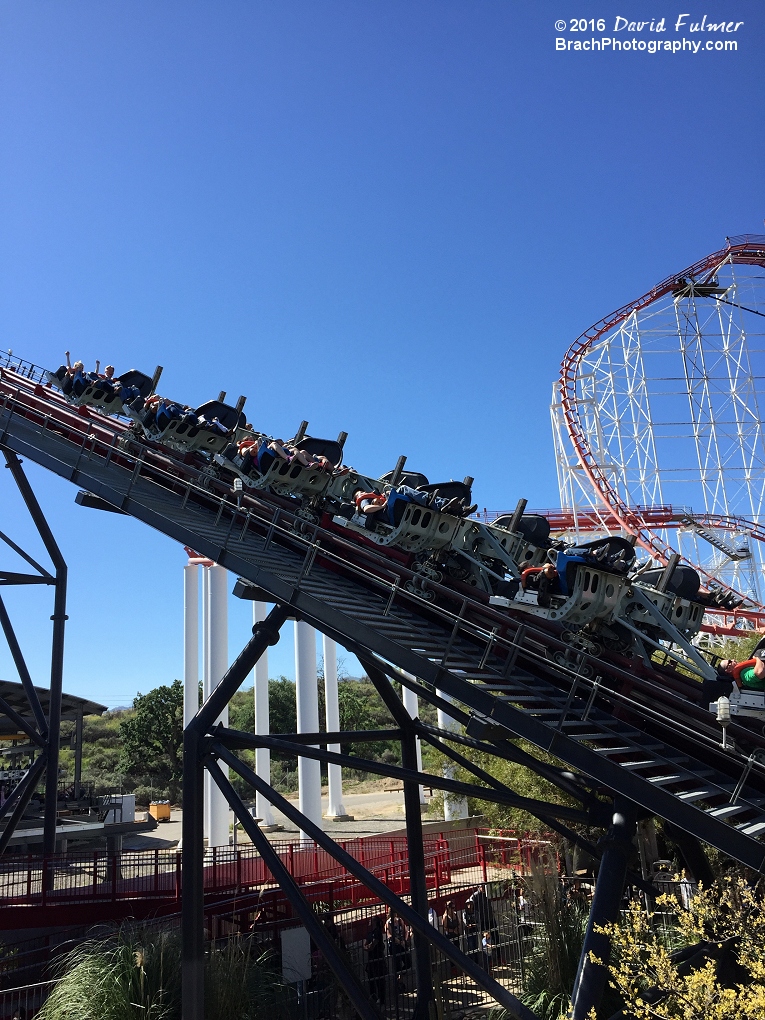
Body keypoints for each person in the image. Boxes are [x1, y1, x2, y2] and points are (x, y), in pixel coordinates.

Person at [363, 914, 386, 1004]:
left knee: (379, 979)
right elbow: (365, 946)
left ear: (375, 922)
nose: (369, 921)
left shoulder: (377, 932)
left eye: (370, 920)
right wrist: (367, 946)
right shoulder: (369, 933)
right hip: (371, 959)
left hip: (378, 959)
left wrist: (368, 946)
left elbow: (372, 946)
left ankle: (381, 998)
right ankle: (373, 996)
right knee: (371, 979)